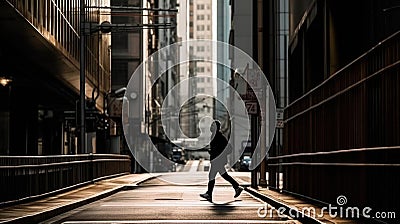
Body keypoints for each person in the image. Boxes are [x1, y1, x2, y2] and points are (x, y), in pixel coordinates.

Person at [200, 120, 243, 202]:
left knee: (212, 175)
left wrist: (218, 152)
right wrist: (212, 151)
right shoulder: (214, 136)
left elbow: (229, 148)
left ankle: (209, 194)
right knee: (223, 175)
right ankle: (237, 187)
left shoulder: (220, 137)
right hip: (216, 159)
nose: (211, 127)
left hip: (218, 160)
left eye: (212, 126)